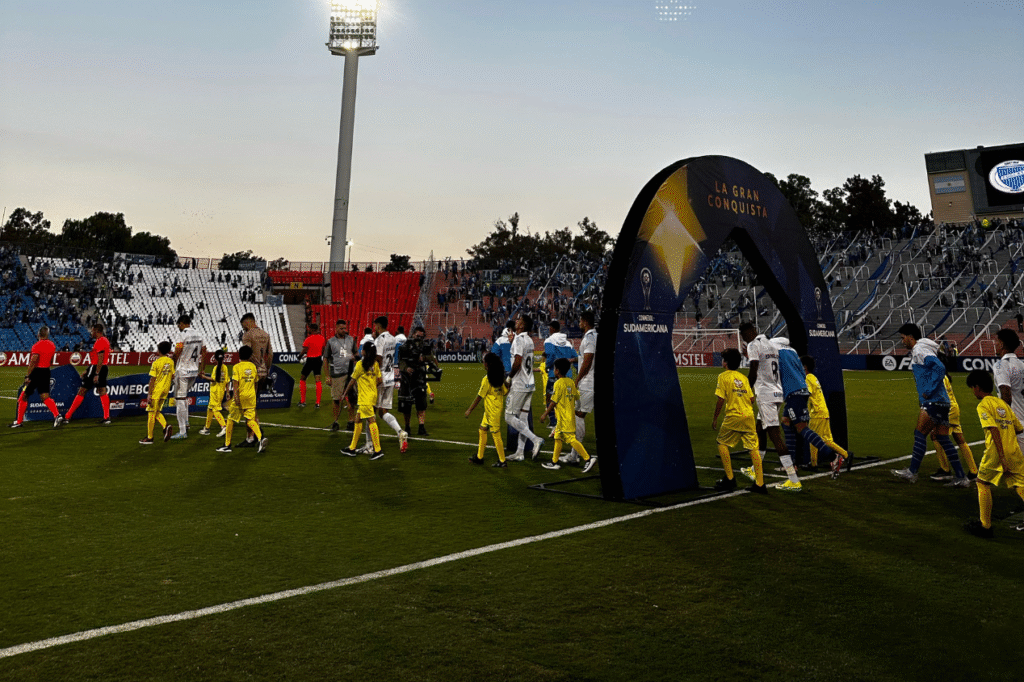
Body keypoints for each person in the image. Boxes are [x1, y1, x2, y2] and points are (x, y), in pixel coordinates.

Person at [891, 323, 970, 486]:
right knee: (943, 438)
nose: (902, 341)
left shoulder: (920, 350)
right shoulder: (923, 348)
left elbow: (940, 368)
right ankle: (961, 477)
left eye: (903, 337)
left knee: (919, 434)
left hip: (933, 400)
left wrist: (930, 389)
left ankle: (912, 472)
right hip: (943, 401)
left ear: (911, 337)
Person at [771, 338, 846, 485]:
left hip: (795, 395)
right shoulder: (792, 354)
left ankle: (833, 457)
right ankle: (792, 464)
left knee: (801, 428)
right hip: (799, 394)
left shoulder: (780, 354)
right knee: (786, 422)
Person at [963, 370, 1024, 538]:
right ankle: (985, 526)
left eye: (972, 387)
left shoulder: (983, 404)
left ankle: (985, 526)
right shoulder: (1002, 404)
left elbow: (993, 428)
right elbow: (1019, 428)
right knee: (1020, 485)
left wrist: (1002, 457)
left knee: (982, 482)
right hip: (1014, 451)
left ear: (977, 387)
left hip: (996, 452)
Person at [738, 323, 797, 489]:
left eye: (743, 335)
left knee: (775, 436)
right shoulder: (770, 343)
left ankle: (793, 480)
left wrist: (746, 390)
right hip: (777, 392)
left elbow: (754, 369)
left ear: (749, 332)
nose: (743, 339)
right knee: (759, 430)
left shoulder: (753, 344)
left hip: (766, 395)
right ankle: (754, 469)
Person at [712, 348, 764, 493]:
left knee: (721, 443)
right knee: (753, 448)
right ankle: (760, 483)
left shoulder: (723, 377)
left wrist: (715, 418)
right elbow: (752, 399)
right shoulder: (744, 378)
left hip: (734, 416)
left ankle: (730, 478)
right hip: (748, 416)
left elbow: (721, 399)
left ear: (725, 363)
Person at [539, 358, 596, 473]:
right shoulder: (570, 382)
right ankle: (554, 462)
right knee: (558, 438)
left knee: (570, 439)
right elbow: (577, 397)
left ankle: (588, 459)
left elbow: (553, 402)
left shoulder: (558, 384)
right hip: (567, 417)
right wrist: (576, 407)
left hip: (564, 418)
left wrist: (545, 414)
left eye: (555, 368)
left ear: (557, 371)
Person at [799, 355, 850, 478]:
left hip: (817, 412)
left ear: (804, 367)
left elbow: (808, 393)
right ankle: (846, 455)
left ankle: (814, 464)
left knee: (814, 439)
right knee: (827, 440)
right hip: (823, 411)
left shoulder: (808, 379)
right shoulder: (813, 377)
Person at [505, 315, 545, 461]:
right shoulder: (529, 340)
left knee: (509, 416)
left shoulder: (519, 340)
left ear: (522, 326)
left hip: (520, 384)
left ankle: (535, 440)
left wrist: (509, 379)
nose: (516, 321)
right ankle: (520, 452)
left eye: (519, 320)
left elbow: (517, 362)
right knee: (523, 418)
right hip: (530, 383)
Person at [929, 371, 980, 482]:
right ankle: (974, 471)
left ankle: (945, 470)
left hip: (947, 410)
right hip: (953, 408)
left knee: (935, 436)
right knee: (959, 439)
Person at [10, 326, 62, 428]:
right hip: (46, 371)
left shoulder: (36, 346)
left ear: (38, 334)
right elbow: (51, 360)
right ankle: (57, 415)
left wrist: (28, 375)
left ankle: (19, 422)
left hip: (37, 372)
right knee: (45, 397)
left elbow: (33, 361)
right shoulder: (52, 345)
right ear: (47, 334)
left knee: (24, 396)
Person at [218, 345, 267, 453]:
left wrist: (235, 398)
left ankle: (227, 445)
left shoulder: (237, 367)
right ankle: (260, 438)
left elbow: (235, 384)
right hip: (251, 396)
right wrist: (253, 395)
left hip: (240, 396)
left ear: (239, 355)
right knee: (250, 420)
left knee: (230, 419)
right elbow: (255, 383)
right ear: (250, 356)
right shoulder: (253, 367)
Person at [371, 316, 409, 450]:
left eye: (375, 326)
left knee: (371, 411)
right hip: (390, 377)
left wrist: (375, 375)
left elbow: (379, 358)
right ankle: (400, 432)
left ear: (378, 326)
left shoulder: (379, 340)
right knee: (383, 411)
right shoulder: (393, 338)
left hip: (380, 378)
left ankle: (370, 445)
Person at [465, 352, 509, 468]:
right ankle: (479, 457)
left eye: (484, 361)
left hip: (492, 411)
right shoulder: (499, 377)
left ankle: (502, 461)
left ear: (488, 364)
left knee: (495, 434)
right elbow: (505, 392)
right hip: (492, 409)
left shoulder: (487, 379)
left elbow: (479, 397)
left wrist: (469, 410)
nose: (483, 363)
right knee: (482, 429)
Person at [341, 342, 384, 460]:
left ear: (364, 351)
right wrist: (371, 386)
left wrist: (344, 393)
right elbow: (379, 380)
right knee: (358, 419)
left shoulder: (360, 364)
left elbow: (352, 380)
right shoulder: (375, 364)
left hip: (365, 398)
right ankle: (352, 448)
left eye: (362, 349)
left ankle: (378, 450)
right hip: (372, 396)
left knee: (371, 420)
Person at [63, 323, 111, 425]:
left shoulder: (101, 341)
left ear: (97, 331)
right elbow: (98, 358)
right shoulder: (104, 340)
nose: (91, 332)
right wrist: (88, 369)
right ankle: (107, 417)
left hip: (97, 368)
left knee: (82, 390)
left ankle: (67, 416)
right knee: (102, 390)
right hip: (102, 367)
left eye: (92, 330)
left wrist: (96, 373)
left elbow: (100, 358)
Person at [397, 326, 436, 447]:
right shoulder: (405, 346)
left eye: (421, 336)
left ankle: (421, 427)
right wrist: (405, 368)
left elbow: (432, 358)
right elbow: (401, 361)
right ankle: (407, 427)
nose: (419, 338)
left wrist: (424, 358)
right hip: (407, 378)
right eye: (417, 336)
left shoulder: (425, 347)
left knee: (421, 404)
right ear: (412, 334)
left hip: (420, 377)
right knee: (406, 405)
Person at [169, 314, 206, 440]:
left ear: (182, 323)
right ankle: (187, 422)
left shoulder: (182, 334)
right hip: (194, 371)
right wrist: (203, 369)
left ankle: (182, 430)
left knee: (179, 399)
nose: (178, 327)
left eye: (179, 325)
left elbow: (177, 351)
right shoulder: (199, 334)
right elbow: (204, 352)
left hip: (183, 371)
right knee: (184, 397)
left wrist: (173, 364)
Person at [239, 313, 271, 447]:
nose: (243, 329)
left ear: (247, 322)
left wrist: (251, 368)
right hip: (263, 371)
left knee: (247, 406)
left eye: (243, 326)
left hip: (251, 372)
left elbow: (246, 352)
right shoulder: (265, 334)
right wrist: (266, 369)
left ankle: (252, 437)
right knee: (253, 405)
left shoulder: (248, 335)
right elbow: (270, 354)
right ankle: (255, 433)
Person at [993, 328, 1024, 457]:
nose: (994, 344)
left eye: (996, 341)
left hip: (1014, 422)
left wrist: (1003, 421)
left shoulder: (1001, 365)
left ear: (1002, 344)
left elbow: (1006, 394)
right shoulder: (1021, 364)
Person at [542, 320, 577, 431]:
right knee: (565, 401)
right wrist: (575, 369)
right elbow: (575, 357)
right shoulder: (568, 343)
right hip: (568, 376)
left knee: (550, 398)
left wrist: (548, 366)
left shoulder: (549, 340)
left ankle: (553, 422)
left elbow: (551, 354)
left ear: (552, 328)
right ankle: (565, 424)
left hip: (555, 374)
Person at [324, 319, 358, 432]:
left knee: (352, 398)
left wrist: (356, 359)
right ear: (336, 328)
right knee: (336, 400)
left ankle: (351, 421)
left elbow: (356, 354)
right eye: (341, 328)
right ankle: (335, 422)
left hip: (350, 374)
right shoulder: (331, 342)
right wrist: (327, 376)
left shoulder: (351, 340)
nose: (344, 330)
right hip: (336, 374)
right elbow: (325, 359)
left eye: (345, 328)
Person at [139, 341, 175, 445]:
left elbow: (152, 380)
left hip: (157, 390)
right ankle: (165, 426)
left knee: (151, 412)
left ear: (158, 350)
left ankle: (150, 437)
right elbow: (173, 376)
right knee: (157, 411)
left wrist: (149, 394)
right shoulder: (170, 362)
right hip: (165, 390)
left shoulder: (156, 362)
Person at [574, 310, 597, 443]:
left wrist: (577, 379)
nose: (579, 323)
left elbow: (588, 361)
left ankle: (575, 453)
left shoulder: (589, 338)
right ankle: (574, 451)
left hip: (587, 382)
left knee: (579, 415)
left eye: (581, 321)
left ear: (586, 322)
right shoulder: (595, 336)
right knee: (578, 413)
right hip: (590, 381)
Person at [199, 349, 230, 437]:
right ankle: (207, 428)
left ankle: (224, 427)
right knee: (210, 409)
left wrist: (203, 376)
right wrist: (227, 392)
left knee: (215, 410)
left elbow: (214, 379)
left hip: (215, 391)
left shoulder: (216, 368)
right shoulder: (225, 367)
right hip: (221, 391)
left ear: (215, 358)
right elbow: (227, 381)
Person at [298, 323, 326, 408]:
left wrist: (299, 356)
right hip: (318, 360)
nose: (308, 330)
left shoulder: (308, 339)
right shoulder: (322, 338)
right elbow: (323, 349)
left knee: (303, 378)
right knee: (318, 379)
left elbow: (305, 349)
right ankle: (317, 403)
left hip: (310, 360)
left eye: (309, 329)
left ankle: (303, 401)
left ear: (312, 329)